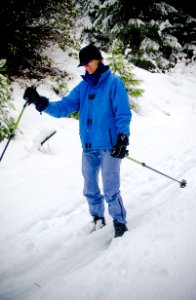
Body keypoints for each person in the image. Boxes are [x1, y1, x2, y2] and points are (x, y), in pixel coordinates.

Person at [23, 44, 132, 238]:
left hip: (110, 146)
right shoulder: (83, 88)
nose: (86, 67)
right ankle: (98, 218)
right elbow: (64, 107)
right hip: (89, 145)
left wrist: (123, 138)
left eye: (88, 62)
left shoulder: (114, 83)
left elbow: (123, 113)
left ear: (98, 59)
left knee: (110, 187)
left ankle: (119, 222)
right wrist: (42, 102)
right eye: (83, 64)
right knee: (89, 186)